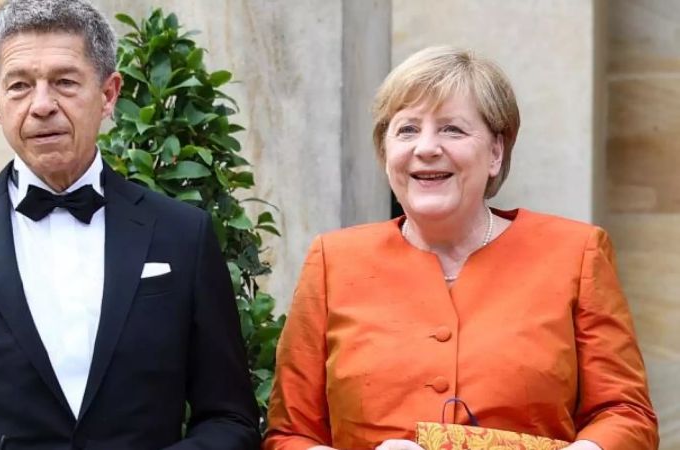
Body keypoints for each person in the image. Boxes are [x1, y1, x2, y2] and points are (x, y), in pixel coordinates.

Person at [0, 1, 260, 448]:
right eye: (19, 86)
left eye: (64, 82)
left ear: (109, 94)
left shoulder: (183, 236)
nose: (42, 105)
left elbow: (230, 419)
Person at [263, 46, 658, 450]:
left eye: (452, 129)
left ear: (495, 152)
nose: (427, 147)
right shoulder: (334, 260)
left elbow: (626, 414)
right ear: (386, 153)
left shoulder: (576, 252)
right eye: (407, 130)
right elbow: (289, 433)